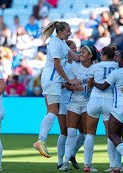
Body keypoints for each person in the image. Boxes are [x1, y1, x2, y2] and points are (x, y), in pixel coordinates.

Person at [32, 21, 80, 158]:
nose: (70, 33)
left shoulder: (63, 44)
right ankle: (41, 140)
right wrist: (69, 79)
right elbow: (57, 65)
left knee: (52, 111)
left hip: (53, 81)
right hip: (52, 80)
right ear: (60, 31)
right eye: (68, 31)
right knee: (53, 112)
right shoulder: (54, 43)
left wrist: (92, 57)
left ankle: (41, 140)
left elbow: (76, 57)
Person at [93, 50, 123, 172]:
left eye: (118, 57)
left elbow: (103, 87)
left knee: (112, 134)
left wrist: (93, 83)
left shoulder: (117, 72)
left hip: (120, 107)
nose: (116, 59)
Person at [58, 45, 98, 171]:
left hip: (88, 103)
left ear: (90, 56)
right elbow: (68, 84)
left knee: (87, 134)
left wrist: (85, 88)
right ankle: (65, 163)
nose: (80, 53)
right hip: (74, 103)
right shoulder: (74, 67)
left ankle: (88, 164)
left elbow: (97, 85)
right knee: (70, 133)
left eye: (83, 52)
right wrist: (74, 87)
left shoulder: (95, 67)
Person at [84, 46, 118, 172]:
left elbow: (89, 84)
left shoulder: (95, 66)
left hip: (95, 100)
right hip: (110, 100)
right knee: (110, 135)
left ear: (103, 56)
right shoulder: (116, 66)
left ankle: (87, 165)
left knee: (90, 134)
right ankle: (113, 165)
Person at [56, 40, 77, 169]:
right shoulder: (61, 65)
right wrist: (70, 84)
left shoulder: (76, 65)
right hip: (63, 102)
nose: (75, 50)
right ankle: (60, 161)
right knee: (64, 132)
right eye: (73, 48)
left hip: (76, 102)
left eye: (76, 48)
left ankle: (71, 154)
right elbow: (57, 85)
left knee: (82, 131)